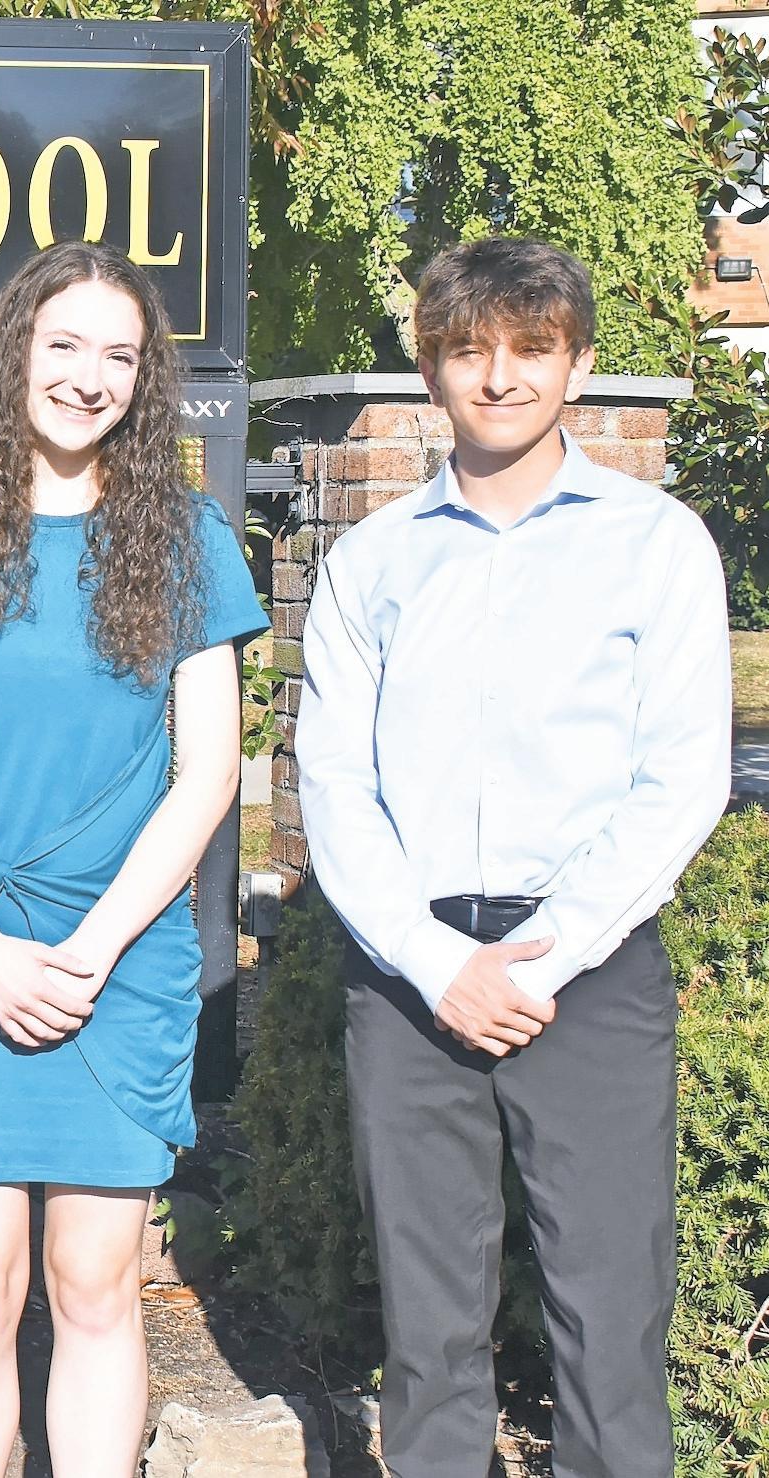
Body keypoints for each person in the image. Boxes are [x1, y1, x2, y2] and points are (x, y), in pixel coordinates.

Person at [296, 237, 731, 1478]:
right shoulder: (371, 562)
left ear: (576, 364)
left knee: (610, 1316)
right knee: (427, 1325)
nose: (498, 377)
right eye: (467, 349)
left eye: (529, 349)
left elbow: (680, 776)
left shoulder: (654, 543)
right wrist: (436, 963)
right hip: (411, 977)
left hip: (587, 969)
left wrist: (544, 954)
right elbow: (332, 783)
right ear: (429, 365)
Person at [0, 240, 265, 1476]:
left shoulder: (186, 540)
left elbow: (207, 771)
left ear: (144, 380)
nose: (88, 377)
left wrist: (87, 950)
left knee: (93, 1283)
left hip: (117, 964)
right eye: (63, 344)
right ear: (12, 354)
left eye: (117, 355)